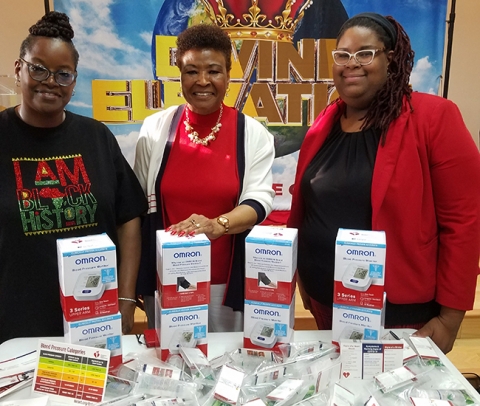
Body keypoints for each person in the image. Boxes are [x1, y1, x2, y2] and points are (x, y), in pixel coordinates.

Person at [287, 12, 480, 353]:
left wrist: (451, 317)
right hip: (324, 300)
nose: (351, 64)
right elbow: (308, 203)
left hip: (399, 312)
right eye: (343, 55)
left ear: (390, 60)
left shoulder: (434, 118)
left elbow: (464, 222)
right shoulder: (325, 122)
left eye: (365, 53)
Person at [0, 11, 148, 344]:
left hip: (96, 319)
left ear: (74, 81)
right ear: (18, 68)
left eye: (63, 74)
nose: (50, 81)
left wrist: (125, 299)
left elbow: (129, 219)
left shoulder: (96, 137)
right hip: (17, 324)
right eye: (38, 68)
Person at [134, 24, 275, 332]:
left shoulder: (253, 134)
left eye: (213, 71)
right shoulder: (155, 130)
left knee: (227, 372)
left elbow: (259, 200)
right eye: (190, 71)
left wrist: (216, 225)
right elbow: (140, 208)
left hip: (226, 286)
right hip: (168, 280)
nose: (202, 81)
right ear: (179, 75)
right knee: (172, 371)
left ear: (228, 75)